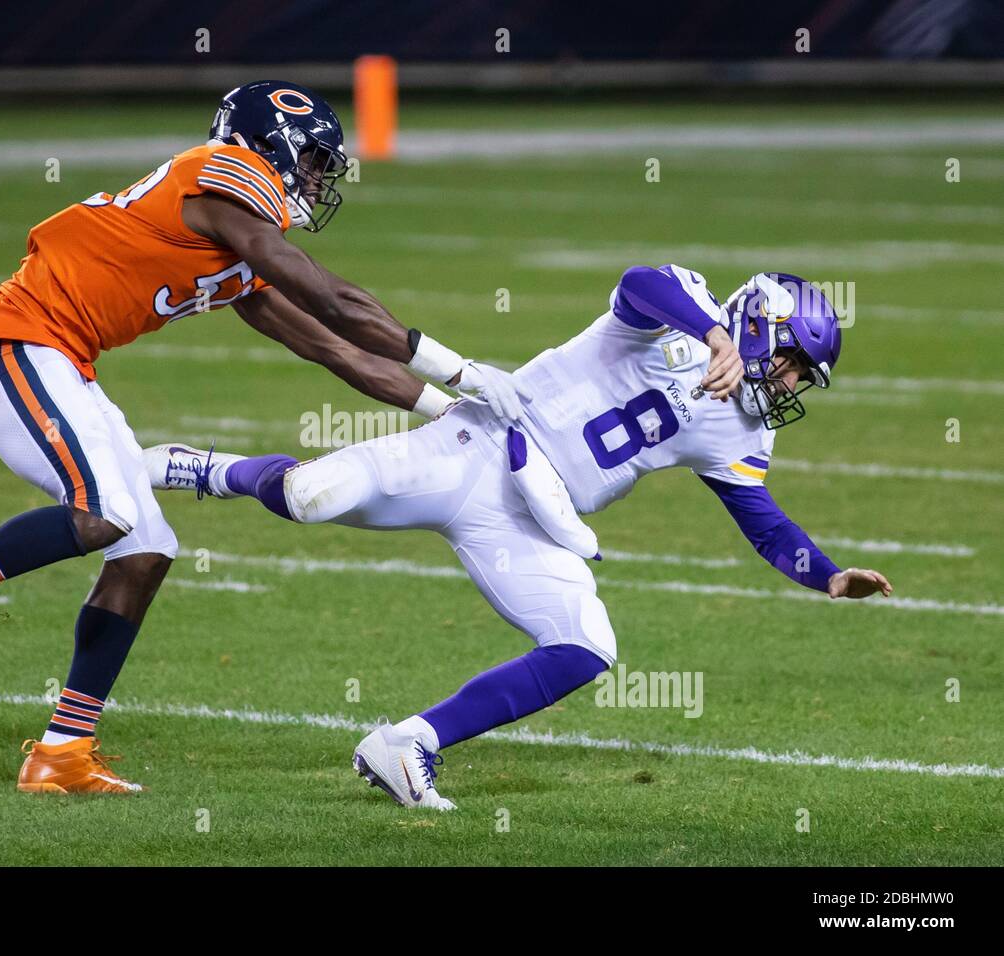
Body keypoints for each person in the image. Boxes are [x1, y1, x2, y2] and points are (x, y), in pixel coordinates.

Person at [0, 81, 528, 794]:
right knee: (102, 512)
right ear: (270, 146)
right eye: (315, 161)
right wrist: (462, 367)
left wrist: (449, 411)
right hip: (15, 346)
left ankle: (62, 754)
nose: (320, 179)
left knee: (145, 551)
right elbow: (335, 298)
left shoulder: (243, 241)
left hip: (66, 363)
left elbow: (335, 349)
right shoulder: (223, 174)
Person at [145, 265, 893, 809]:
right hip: (472, 448)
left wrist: (824, 573)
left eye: (802, 377)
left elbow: (762, 520)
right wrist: (709, 334)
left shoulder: (744, 425)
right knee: (310, 495)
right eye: (792, 363)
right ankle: (209, 470)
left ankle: (407, 744)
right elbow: (640, 283)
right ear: (758, 325)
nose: (790, 385)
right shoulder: (682, 316)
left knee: (587, 645)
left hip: (533, 519)